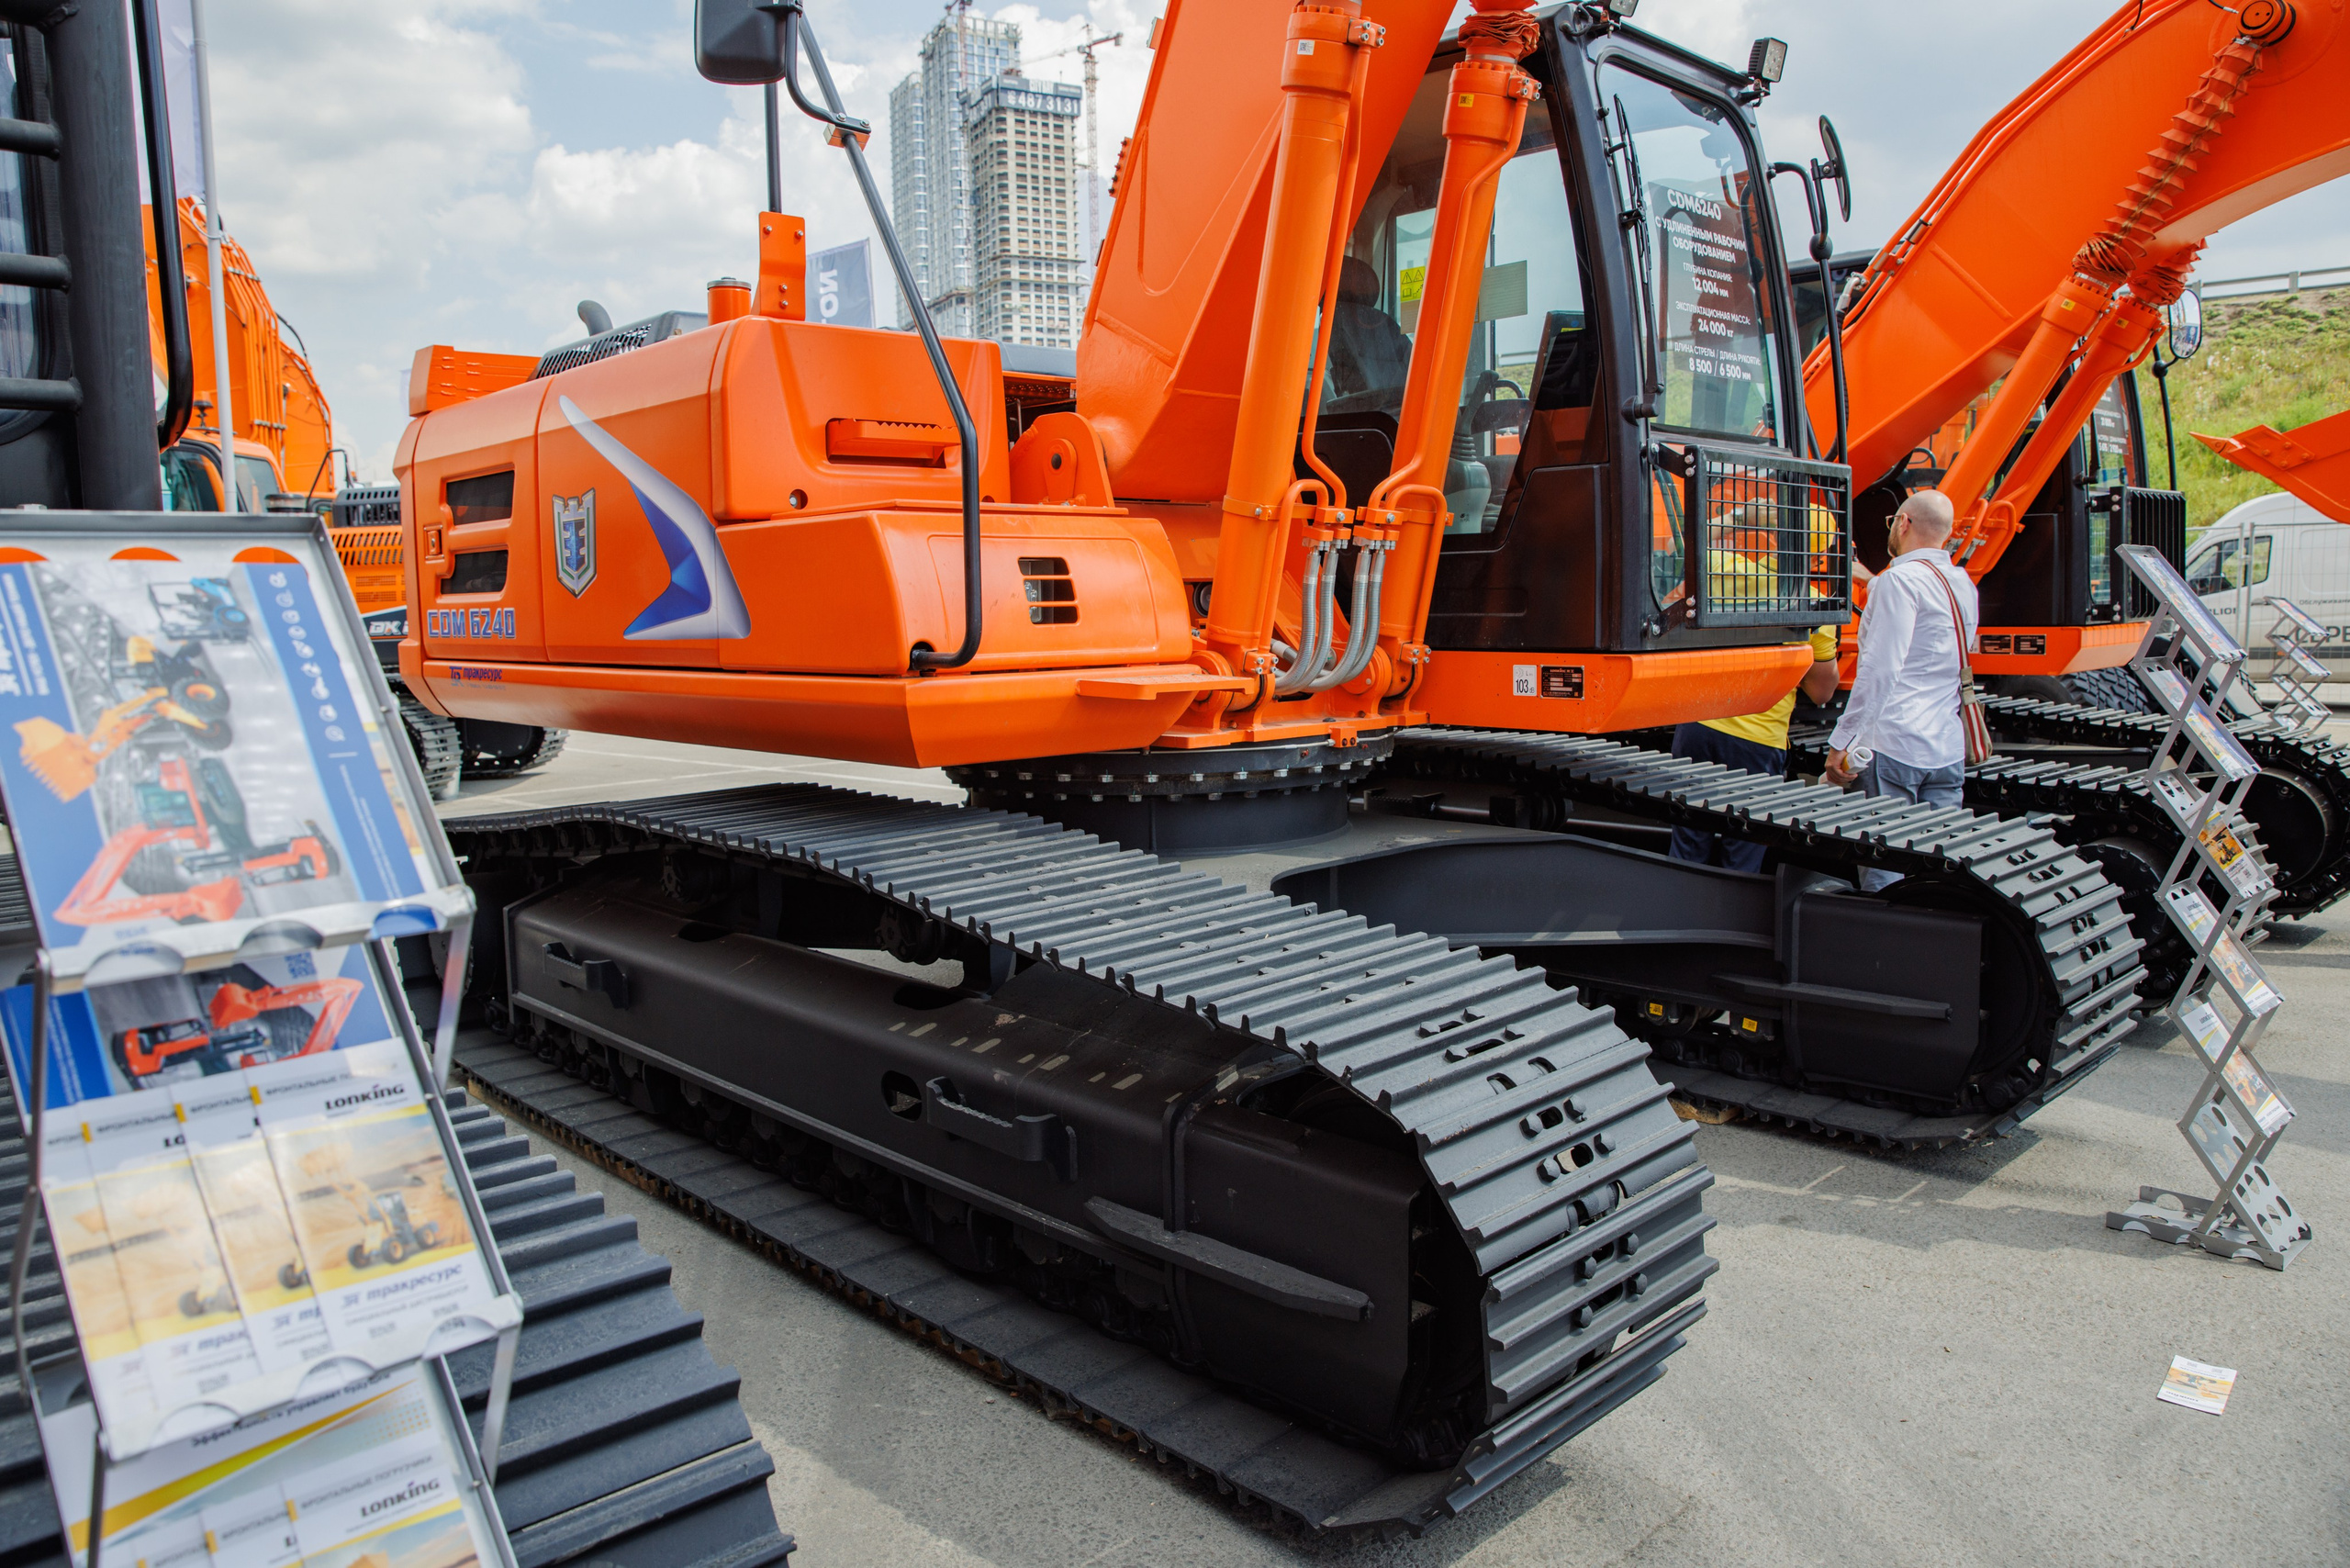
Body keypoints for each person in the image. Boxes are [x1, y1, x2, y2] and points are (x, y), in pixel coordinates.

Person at [1824, 489, 1978, 891]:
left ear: (1903, 523)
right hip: (1946, 750)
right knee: (1937, 874)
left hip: (1894, 747)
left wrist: (1842, 742)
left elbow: (1881, 671)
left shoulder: (1898, 582)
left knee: (1885, 873)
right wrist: (1871, 582)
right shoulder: (1962, 584)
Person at [1667, 620, 1842, 871]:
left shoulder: (1718, 590)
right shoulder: (1816, 607)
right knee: (1742, 853)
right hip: (1757, 738)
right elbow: (1821, 692)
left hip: (1696, 724)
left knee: (1687, 849)